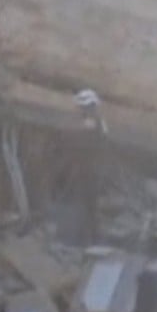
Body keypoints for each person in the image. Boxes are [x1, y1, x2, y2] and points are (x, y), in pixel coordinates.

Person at [72, 90, 108, 242]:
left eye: (83, 107)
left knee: (89, 206)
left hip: (91, 169)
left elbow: (82, 140)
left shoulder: (92, 121)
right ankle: (91, 237)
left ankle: (91, 238)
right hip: (93, 167)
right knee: (90, 206)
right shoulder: (98, 121)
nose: (81, 110)